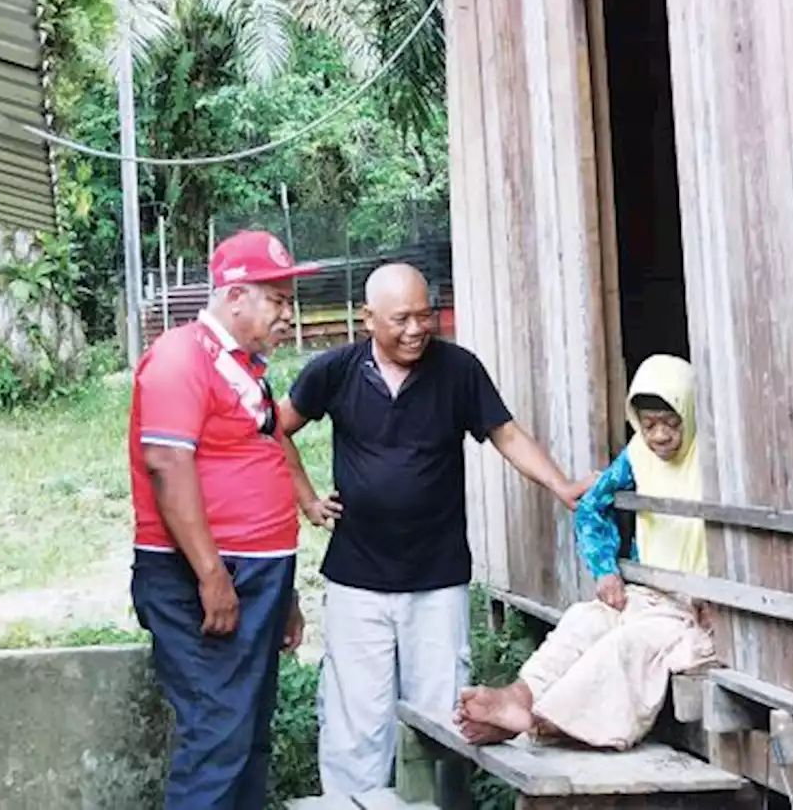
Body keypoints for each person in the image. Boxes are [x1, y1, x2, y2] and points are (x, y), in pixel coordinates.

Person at [278, 263, 588, 796]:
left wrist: (559, 484)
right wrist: (305, 498)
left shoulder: (458, 369)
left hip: (438, 576)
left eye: (426, 315)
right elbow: (274, 429)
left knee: (443, 715)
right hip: (357, 577)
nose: (417, 329)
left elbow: (506, 434)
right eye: (401, 319)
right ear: (367, 318)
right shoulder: (333, 370)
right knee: (356, 719)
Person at [129, 230, 318, 810]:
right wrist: (212, 575)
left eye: (289, 301)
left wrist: (284, 594)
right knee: (217, 732)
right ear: (235, 296)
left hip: (256, 571)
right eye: (276, 300)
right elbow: (165, 462)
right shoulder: (181, 356)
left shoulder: (245, 368)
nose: (288, 315)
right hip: (202, 573)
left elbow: (259, 451)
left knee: (248, 731)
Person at [455, 354, 715, 751]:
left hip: (693, 613)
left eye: (671, 423)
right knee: (583, 621)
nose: (660, 436)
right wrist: (605, 568)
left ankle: (535, 722)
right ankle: (520, 698)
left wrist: (719, 594)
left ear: (691, 414)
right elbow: (593, 505)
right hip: (647, 595)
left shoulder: (716, 458)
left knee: (626, 646)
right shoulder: (637, 456)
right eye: (649, 425)